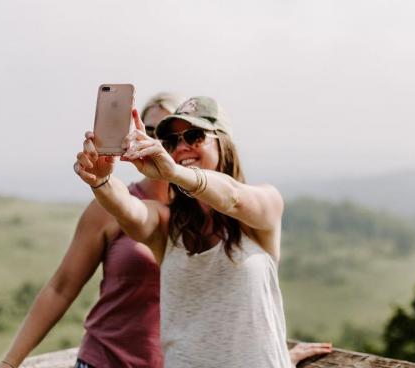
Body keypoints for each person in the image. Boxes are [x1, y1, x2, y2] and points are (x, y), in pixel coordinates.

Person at [74, 96, 333, 367]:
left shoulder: (262, 205)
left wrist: (174, 173)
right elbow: (128, 209)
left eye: (194, 136)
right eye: (172, 141)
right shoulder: (167, 223)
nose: (182, 147)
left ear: (224, 142)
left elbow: (231, 196)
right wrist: (102, 180)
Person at [0, 93, 186, 368]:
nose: (158, 141)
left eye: (170, 133)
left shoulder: (202, 213)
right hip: (104, 360)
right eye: (151, 131)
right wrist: (11, 362)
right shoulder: (110, 206)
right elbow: (61, 288)